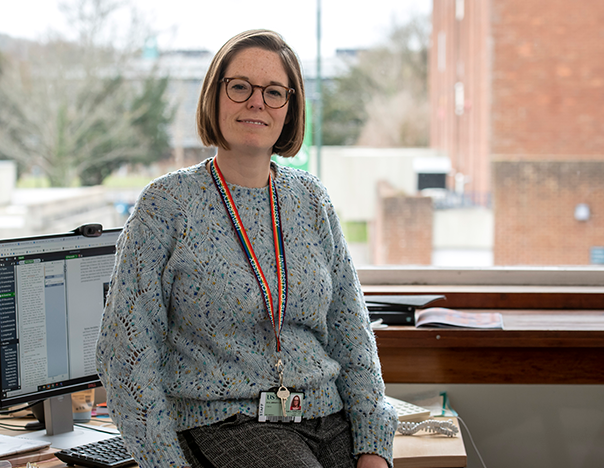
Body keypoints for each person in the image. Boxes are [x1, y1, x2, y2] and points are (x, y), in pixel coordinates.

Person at [96, 29, 397, 468]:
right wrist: (165, 463)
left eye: (274, 92)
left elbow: (352, 334)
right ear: (213, 97)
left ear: (289, 109)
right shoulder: (167, 205)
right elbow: (125, 352)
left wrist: (374, 446)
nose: (256, 102)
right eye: (240, 87)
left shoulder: (312, 201)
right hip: (226, 422)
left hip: (329, 418)